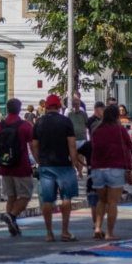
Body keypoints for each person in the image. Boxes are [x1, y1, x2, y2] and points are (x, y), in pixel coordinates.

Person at [31, 94, 84, 242]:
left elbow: (34, 145)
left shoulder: (39, 123)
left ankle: (49, 233)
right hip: (64, 164)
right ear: (59, 107)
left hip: (46, 165)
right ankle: (65, 231)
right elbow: (72, 145)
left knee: (47, 199)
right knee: (66, 198)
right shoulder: (66, 122)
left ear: (46, 107)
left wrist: (38, 160)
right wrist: (74, 163)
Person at [0, 99, 35, 237]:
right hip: (21, 167)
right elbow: (33, 146)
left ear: (7, 109)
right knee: (25, 196)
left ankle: (13, 224)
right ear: (19, 109)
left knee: (11, 197)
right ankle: (11, 216)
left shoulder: (0, 126)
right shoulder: (25, 126)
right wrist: (40, 162)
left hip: (5, 167)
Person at [90, 105, 131, 240]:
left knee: (102, 200)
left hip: (97, 169)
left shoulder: (96, 129)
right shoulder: (120, 130)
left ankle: (97, 228)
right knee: (112, 202)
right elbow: (129, 146)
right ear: (116, 116)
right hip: (115, 168)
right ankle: (109, 233)